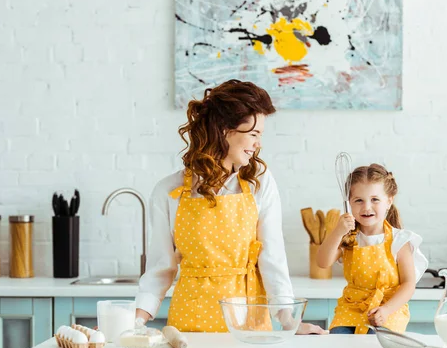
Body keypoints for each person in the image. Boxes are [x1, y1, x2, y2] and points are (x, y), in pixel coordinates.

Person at [135, 79, 326, 335]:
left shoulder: (259, 183)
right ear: (225, 130)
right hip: (190, 326)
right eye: (253, 134)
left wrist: (289, 321)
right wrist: (133, 323)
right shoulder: (169, 191)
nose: (258, 144)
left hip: (248, 324)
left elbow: (272, 257)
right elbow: (160, 268)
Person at [316, 163, 428, 334]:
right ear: (348, 204)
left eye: (375, 199)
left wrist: (386, 310)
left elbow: (408, 284)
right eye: (358, 200)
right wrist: (337, 232)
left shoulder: (399, 240)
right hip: (352, 308)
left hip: (388, 309)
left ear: (389, 201)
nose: (366, 207)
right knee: (339, 343)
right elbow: (322, 262)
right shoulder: (348, 238)